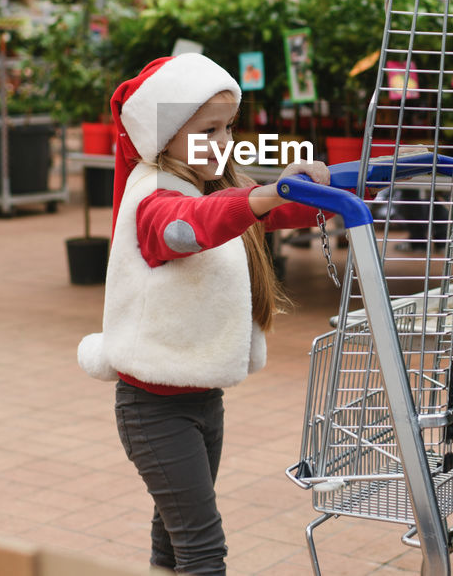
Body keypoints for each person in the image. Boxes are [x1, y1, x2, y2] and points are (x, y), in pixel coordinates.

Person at [77, 53, 332, 575]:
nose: (221, 142)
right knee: (202, 548)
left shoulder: (208, 186)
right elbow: (189, 228)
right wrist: (264, 194)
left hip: (201, 400)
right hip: (153, 409)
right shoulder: (154, 196)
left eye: (228, 127)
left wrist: (341, 185)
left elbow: (269, 209)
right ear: (165, 134)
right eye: (205, 129)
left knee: (172, 540)